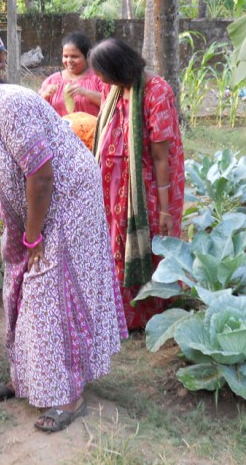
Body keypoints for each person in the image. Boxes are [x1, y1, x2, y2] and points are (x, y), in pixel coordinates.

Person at [0, 49, 127, 433]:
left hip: (68, 200)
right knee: (16, 287)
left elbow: (42, 176)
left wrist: (34, 239)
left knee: (48, 290)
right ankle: (27, 379)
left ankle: (68, 395)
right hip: (28, 211)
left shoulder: (11, 106)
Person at [88, 37, 185, 330]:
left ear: (119, 69)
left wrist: (165, 209)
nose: (100, 80)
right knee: (114, 242)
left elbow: (160, 157)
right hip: (114, 190)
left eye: (103, 73)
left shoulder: (156, 91)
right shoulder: (115, 89)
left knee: (152, 239)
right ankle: (118, 312)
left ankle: (149, 314)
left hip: (150, 189)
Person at [38, 32, 104, 117]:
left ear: (87, 56)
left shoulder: (99, 78)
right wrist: (46, 95)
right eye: (65, 56)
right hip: (60, 129)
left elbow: (111, 104)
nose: (69, 60)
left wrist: (85, 92)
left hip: (91, 129)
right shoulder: (51, 81)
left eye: (74, 56)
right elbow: (36, 109)